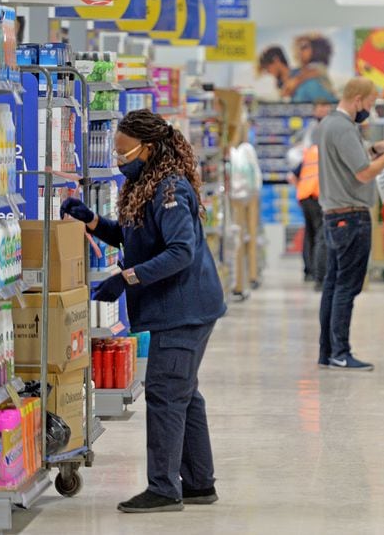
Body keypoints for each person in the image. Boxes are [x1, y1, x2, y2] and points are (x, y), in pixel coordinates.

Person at [60, 110, 225, 514]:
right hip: (183, 306)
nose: (118, 158)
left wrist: (126, 278)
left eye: (123, 151)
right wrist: (95, 221)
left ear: (148, 148)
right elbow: (136, 235)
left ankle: (164, 489)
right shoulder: (145, 184)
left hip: (184, 308)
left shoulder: (170, 189)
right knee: (184, 394)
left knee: (166, 393)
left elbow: (180, 251)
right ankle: (199, 483)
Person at [315, 78, 384, 371]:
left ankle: (327, 352)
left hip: (334, 215)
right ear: (357, 99)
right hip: (351, 217)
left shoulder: (330, 124)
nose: (371, 109)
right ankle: (341, 352)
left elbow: (350, 155)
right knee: (347, 287)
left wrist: (375, 147)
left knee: (332, 285)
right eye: (370, 104)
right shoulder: (343, 128)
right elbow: (364, 174)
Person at [287, 100, 334, 288]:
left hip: (305, 196)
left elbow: (292, 175)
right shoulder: (327, 151)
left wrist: (300, 188)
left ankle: (308, 271)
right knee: (322, 235)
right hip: (317, 196)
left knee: (310, 233)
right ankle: (319, 276)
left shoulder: (309, 152)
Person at [229, 122, 263, 301]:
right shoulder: (235, 153)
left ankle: (249, 277)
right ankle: (242, 281)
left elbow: (254, 173)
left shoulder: (244, 150)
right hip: (241, 197)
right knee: (239, 240)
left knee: (244, 238)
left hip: (245, 198)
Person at [282, 34, 336, 103]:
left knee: (309, 84)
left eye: (304, 47)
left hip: (325, 104)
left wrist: (295, 82)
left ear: (314, 49)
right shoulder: (295, 71)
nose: (299, 51)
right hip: (304, 108)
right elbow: (285, 92)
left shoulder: (318, 66)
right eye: (297, 47)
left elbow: (312, 73)